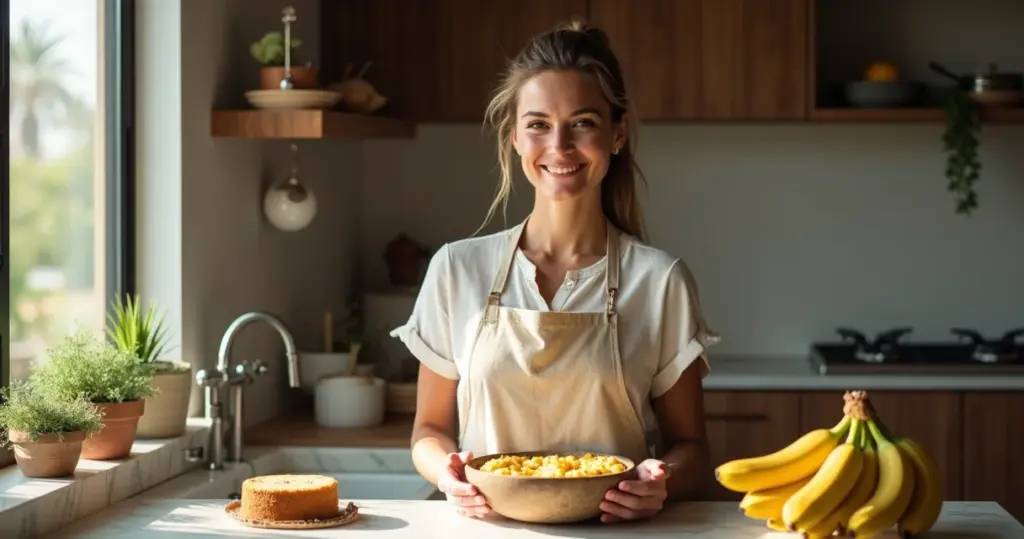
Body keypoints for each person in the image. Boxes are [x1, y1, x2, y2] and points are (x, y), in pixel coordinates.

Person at [389, 19, 719, 524]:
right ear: (515, 138)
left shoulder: (660, 282)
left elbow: (692, 449)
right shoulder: (456, 269)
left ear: (617, 133)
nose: (559, 146)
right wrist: (446, 474)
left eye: (582, 122)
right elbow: (429, 431)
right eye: (538, 124)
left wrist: (661, 481)